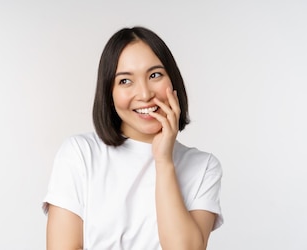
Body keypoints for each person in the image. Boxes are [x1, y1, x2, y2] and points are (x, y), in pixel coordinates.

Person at [42, 26, 223, 250]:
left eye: (155, 75)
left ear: (173, 81)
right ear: (110, 93)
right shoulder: (80, 154)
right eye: (125, 81)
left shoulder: (203, 167)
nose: (145, 94)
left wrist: (164, 161)